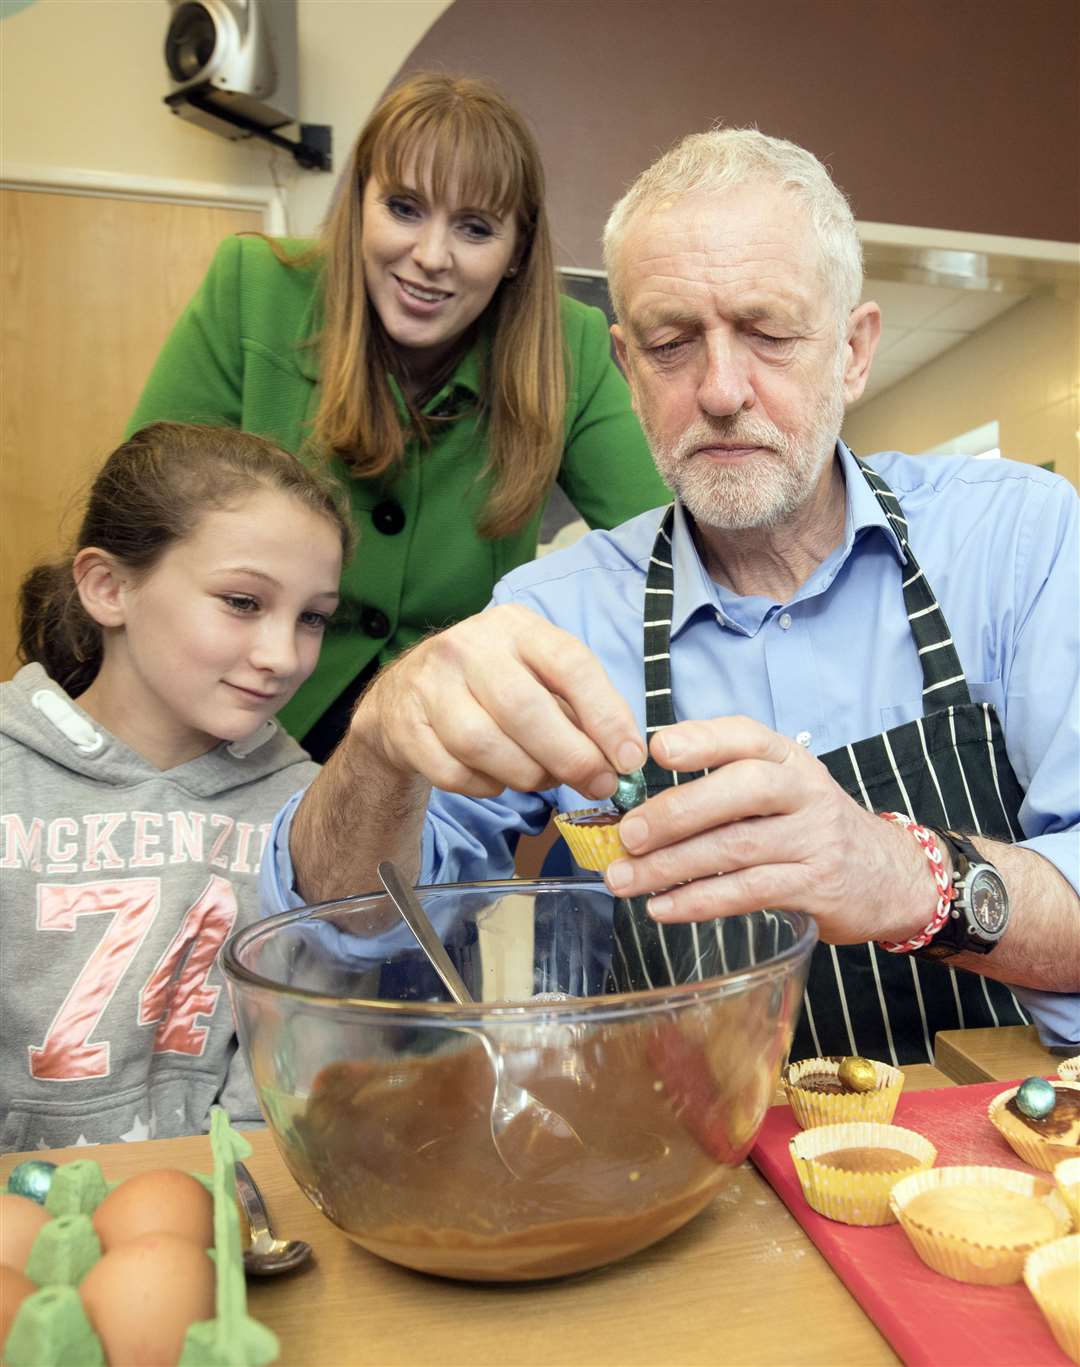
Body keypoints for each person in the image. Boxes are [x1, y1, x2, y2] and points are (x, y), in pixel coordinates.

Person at [266, 130, 1080, 1065]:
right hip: (691, 1176)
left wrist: (905, 874)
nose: (723, 390)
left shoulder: (1017, 539)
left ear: (854, 352)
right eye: (671, 344)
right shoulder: (554, 614)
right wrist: (377, 748)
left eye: (769, 334)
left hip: (998, 1161)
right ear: (625, 366)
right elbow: (343, 938)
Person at [127, 72, 670, 760]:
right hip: (232, 721)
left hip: (436, 748)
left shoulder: (570, 348)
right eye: (405, 208)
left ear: (517, 253)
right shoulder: (254, 288)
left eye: (474, 228)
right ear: (360, 204)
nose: (431, 257)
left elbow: (662, 554)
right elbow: (140, 527)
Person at [0, 422, 351, 1150]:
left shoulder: (307, 812)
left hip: (222, 1215)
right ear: (108, 587)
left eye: (312, 617)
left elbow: (283, 1081)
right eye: (243, 602)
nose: (282, 655)